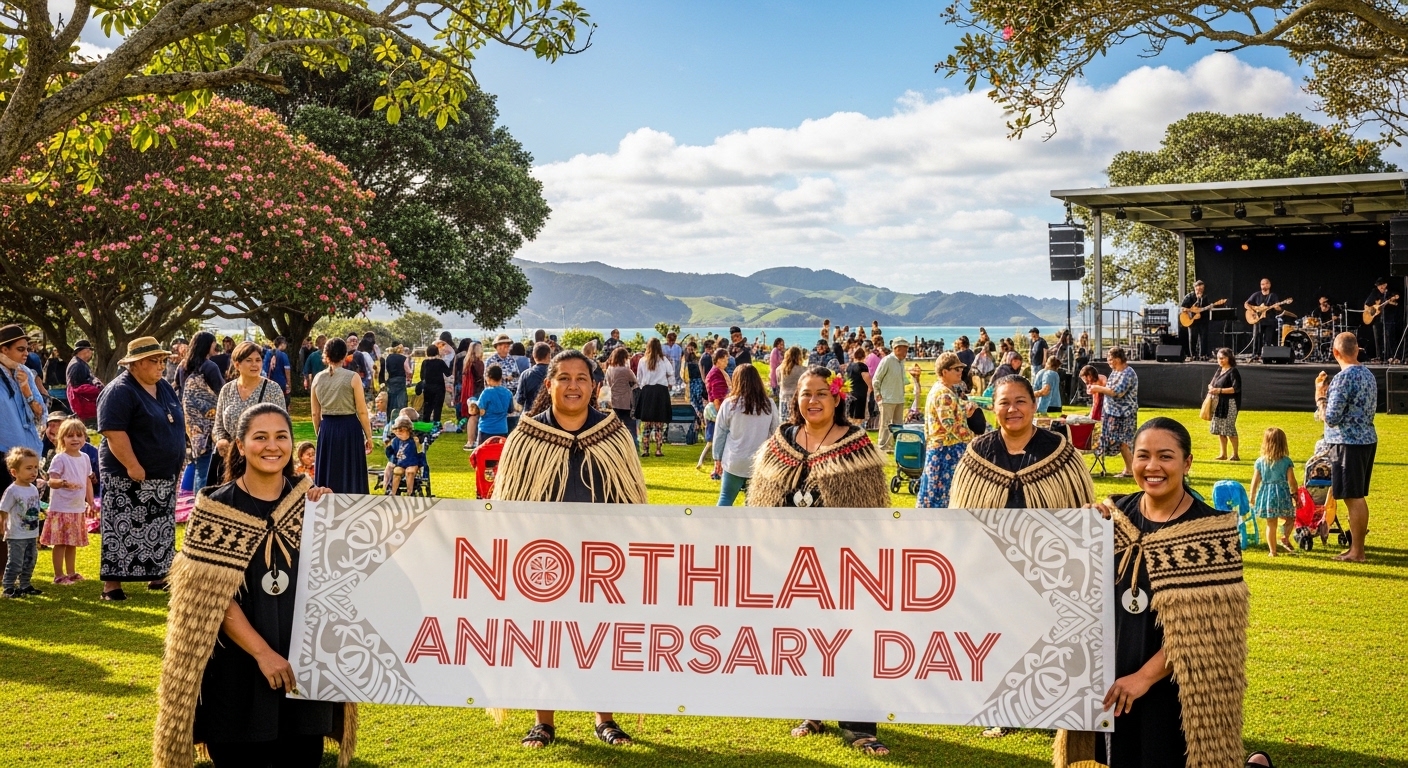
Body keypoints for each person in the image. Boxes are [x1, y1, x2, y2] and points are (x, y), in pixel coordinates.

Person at [152, 404, 354, 768]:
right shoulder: (215, 508)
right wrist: (263, 654)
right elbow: (211, 600)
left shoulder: (312, 505)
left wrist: (332, 518)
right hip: (237, 671)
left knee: (302, 757)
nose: (271, 446)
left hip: (302, 669)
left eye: (281, 436)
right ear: (240, 447)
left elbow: (343, 577)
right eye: (259, 437)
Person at [490, 349, 645, 750]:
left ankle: (605, 718)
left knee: (602, 637)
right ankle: (544, 720)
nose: (573, 385)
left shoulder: (615, 433)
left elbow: (632, 503)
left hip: (603, 562)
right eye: (564, 377)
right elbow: (509, 506)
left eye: (581, 378)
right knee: (545, 636)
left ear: (595, 386)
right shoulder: (525, 436)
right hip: (544, 561)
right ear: (549, 384)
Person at [1081, 417, 1249, 768]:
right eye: (1142, 456)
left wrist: (1143, 678)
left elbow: (1210, 633)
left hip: (1175, 688)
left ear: (1187, 463)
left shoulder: (1212, 534)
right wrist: (1078, 530)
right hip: (1110, 682)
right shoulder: (1113, 517)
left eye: (1165, 456)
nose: (1152, 467)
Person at [746, 366, 892, 756]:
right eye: (805, 393)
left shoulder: (857, 445)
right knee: (804, 638)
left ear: (837, 397)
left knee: (850, 637)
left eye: (821, 393)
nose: (812, 400)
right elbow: (760, 501)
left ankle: (859, 724)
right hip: (792, 566)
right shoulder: (782, 441)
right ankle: (812, 710)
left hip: (843, 566)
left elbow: (872, 511)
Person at [96, 336, 186, 600]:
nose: (161, 366)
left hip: (162, 474)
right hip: (128, 475)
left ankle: (158, 574)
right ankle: (112, 586)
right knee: (121, 527)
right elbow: (113, 431)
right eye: (154, 361)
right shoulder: (120, 390)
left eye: (162, 360)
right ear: (135, 364)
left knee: (159, 526)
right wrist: (133, 465)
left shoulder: (163, 387)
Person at [950, 375, 1094, 509]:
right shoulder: (977, 455)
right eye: (1004, 403)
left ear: (1033, 405)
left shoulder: (1061, 453)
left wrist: (1092, 513)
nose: (1012, 409)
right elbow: (962, 519)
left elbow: (1079, 513)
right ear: (993, 408)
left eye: (1020, 401)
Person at [1315, 332, 1377, 562]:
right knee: (1356, 496)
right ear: (1357, 349)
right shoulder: (1368, 374)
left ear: (1335, 353)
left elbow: (1331, 417)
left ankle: (1357, 551)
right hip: (1366, 439)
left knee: (1354, 497)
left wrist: (1320, 396)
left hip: (1348, 442)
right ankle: (1357, 548)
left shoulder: (1343, 378)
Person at [212, 342, 287, 489]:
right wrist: (220, 440)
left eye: (258, 360)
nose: (255, 364)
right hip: (231, 460)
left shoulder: (272, 389)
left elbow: (283, 427)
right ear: (237, 364)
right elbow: (218, 426)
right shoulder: (227, 390)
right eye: (249, 360)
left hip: (262, 457)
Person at [309, 337, 372, 495]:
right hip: (349, 427)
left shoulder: (317, 378)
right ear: (344, 355)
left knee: (329, 471)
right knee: (351, 472)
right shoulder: (352, 377)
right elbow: (362, 411)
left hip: (327, 427)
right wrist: (369, 436)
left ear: (326, 355)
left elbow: (315, 412)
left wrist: (320, 432)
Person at [713, 364, 779, 506]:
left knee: (725, 498)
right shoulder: (769, 404)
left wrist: (717, 458)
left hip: (734, 460)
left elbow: (720, 433)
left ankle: (715, 527)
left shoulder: (729, 404)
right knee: (753, 503)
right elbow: (775, 433)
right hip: (758, 462)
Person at [917, 352, 977, 509]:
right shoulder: (944, 394)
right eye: (956, 369)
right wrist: (973, 438)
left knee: (937, 496)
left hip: (941, 449)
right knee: (943, 496)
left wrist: (964, 410)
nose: (960, 371)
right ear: (944, 372)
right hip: (946, 452)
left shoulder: (943, 390)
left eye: (961, 368)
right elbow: (950, 425)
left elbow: (950, 414)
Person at [41, 418, 94, 585]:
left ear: (85, 437)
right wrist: (64, 483)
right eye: (70, 436)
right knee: (61, 542)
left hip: (77, 508)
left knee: (72, 543)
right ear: (62, 438)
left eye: (79, 435)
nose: (75, 439)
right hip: (61, 508)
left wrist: (91, 502)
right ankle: (59, 575)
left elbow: (87, 481)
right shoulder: (60, 458)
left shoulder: (85, 458)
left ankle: (71, 573)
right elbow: (51, 481)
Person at [178, 331, 225, 491]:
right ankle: (201, 501)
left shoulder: (183, 367)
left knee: (196, 461)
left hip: (190, 424)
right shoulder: (210, 366)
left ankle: (190, 496)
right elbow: (221, 392)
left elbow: (181, 391)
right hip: (209, 424)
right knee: (206, 467)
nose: (215, 346)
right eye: (213, 343)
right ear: (208, 345)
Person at [1088, 347, 1138, 477]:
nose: (1108, 362)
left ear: (1117, 359)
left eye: (1110, 359)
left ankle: (1131, 470)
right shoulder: (1115, 372)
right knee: (1116, 442)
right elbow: (1109, 388)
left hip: (1124, 414)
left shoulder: (1128, 373)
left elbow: (1117, 392)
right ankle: (1129, 469)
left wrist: (1097, 388)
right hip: (1112, 413)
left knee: (1125, 443)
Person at [1, 446, 44, 598]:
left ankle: (25, 585)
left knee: (30, 561)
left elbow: (35, 507)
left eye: (35, 468)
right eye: (28, 468)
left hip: (31, 533)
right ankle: (8, 587)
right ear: (14, 472)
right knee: (15, 562)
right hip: (16, 534)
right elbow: (3, 509)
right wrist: (2, 526)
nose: (34, 472)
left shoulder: (33, 488)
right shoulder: (12, 490)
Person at [1251, 427, 1298, 557]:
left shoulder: (1260, 462)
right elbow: (1292, 481)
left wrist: (1252, 496)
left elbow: (1255, 481)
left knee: (1271, 524)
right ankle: (1285, 536)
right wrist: (1295, 494)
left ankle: (1273, 551)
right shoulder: (1286, 461)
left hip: (1267, 495)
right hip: (1282, 494)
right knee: (1290, 518)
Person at [635, 337, 676, 458]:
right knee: (659, 424)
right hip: (660, 392)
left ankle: (645, 450)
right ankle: (658, 449)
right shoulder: (664, 360)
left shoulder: (643, 360)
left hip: (647, 392)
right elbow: (671, 374)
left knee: (646, 424)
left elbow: (639, 378)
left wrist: (644, 386)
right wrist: (670, 384)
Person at [871, 337, 909, 453]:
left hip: (899, 397)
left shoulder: (901, 362)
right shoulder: (887, 360)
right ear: (896, 348)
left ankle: (896, 445)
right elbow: (876, 378)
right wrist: (877, 393)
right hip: (887, 397)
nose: (906, 352)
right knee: (886, 423)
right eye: (904, 349)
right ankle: (883, 446)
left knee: (898, 424)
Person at [1208, 348, 1242, 461]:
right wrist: (1211, 388)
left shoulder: (1233, 371)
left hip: (1230, 403)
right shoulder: (1219, 370)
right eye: (1218, 358)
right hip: (1218, 403)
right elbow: (1212, 383)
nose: (1220, 360)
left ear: (1229, 358)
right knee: (1219, 429)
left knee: (1229, 428)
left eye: (1222, 358)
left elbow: (1235, 389)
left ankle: (1235, 454)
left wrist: (1219, 390)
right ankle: (1223, 454)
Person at [603, 346, 638, 446]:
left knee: (615, 426)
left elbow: (608, 383)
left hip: (614, 400)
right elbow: (635, 382)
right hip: (626, 401)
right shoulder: (626, 370)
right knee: (630, 426)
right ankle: (634, 446)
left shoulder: (610, 369)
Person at [64, 339, 103, 428]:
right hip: (83, 403)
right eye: (90, 351)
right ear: (86, 351)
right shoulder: (77, 365)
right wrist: (98, 390)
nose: (91, 354)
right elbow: (77, 388)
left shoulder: (79, 363)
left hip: (84, 403)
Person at [382, 417, 424, 496]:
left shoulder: (414, 440)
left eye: (401, 431)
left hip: (412, 462)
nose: (398, 433)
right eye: (396, 431)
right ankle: (393, 492)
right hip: (400, 463)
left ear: (408, 430)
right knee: (397, 472)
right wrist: (388, 447)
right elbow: (391, 454)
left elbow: (420, 453)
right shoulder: (395, 441)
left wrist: (420, 465)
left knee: (410, 472)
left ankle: (410, 492)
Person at [1364, 276, 1401, 362]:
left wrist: (1394, 298)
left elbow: (1397, 297)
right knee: (1378, 338)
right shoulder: (1375, 292)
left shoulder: (1390, 292)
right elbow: (1366, 305)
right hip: (1376, 319)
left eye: (1381, 286)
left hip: (1388, 319)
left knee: (1389, 336)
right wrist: (1372, 310)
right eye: (1378, 286)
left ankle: (1391, 356)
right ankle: (1379, 356)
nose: (1379, 288)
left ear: (1385, 285)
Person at [474, 364, 514, 445]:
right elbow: (510, 410)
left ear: (488, 378)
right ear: (500, 377)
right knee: (499, 455)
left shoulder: (486, 393)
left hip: (486, 429)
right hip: (502, 430)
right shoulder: (508, 393)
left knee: (483, 455)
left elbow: (479, 409)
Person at [1243, 278, 1282, 359]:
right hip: (1258, 320)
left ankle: (1266, 356)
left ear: (1269, 285)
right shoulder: (1256, 295)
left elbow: (1279, 309)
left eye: (1266, 283)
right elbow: (1246, 304)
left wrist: (1277, 307)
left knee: (1268, 338)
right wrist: (1253, 311)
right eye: (1262, 284)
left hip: (1270, 320)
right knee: (1257, 336)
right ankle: (1255, 354)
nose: (1264, 285)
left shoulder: (1273, 296)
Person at [1180, 280, 1216, 360]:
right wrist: (1191, 311)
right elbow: (1182, 308)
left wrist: (1210, 307)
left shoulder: (1206, 297)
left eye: (1201, 289)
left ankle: (1203, 355)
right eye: (1198, 289)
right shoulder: (1189, 297)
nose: (1199, 291)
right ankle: (1193, 355)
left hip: (1203, 320)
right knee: (1192, 337)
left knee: (1204, 338)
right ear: (1195, 288)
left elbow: (1209, 307)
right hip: (1192, 320)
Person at [460, 341, 486, 450]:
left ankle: (470, 440)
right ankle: (472, 440)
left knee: (472, 416)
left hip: (470, 392)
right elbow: (482, 376)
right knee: (475, 416)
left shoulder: (467, 362)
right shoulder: (478, 363)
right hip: (477, 391)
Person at [416, 347, 452, 424]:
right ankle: (436, 422)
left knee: (428, 406)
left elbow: (422, 376)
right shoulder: (440, 362)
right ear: (437, 352)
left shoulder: (424, 362)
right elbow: (448, 373)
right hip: (439, 387)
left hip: (428, 387)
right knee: (438, 407)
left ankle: (426, 422)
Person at [516, 342, 552, 415]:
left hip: (531, 416)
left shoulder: (525, 375)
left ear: (534, 356)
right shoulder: (555, 374)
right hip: (551, 416)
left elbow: (520, 400)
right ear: (549, 355)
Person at [776, 346, 806, 422]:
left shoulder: (780, 369)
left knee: (784, 424)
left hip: (784, 399)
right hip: (797, 400)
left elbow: (779, 382)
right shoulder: (803, 370)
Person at [380, 344, 411, 415]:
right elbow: (409, 371)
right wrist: (409, 378)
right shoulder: (403, 358)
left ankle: (390, 418)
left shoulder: (388, 358)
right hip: (401, 380)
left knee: (391, 400)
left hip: (391, 380)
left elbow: (386, 370)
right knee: (401, 400)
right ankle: (401, 417)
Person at [843, 347, 872, 424]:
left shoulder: (849, 366)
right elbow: (866, 377)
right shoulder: (862, 366)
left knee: (851, 415)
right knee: (859, 417)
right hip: (861, 393)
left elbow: (846, 378)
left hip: (851, 392)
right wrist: (871, 387)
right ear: (864, 356)